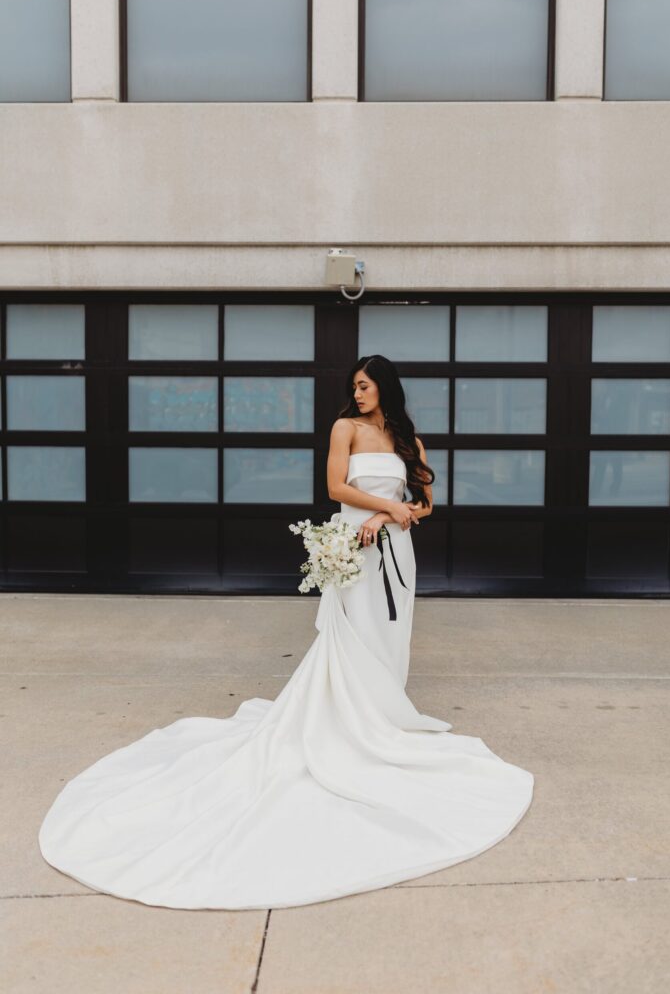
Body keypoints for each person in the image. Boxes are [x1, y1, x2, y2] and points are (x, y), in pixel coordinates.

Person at [38, 353, 534, 910]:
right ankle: (350, 725)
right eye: (355, 386)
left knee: (392, 636)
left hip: (395, 548)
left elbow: (427, 502)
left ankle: (385, 716)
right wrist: (379, 511)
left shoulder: (407, 440)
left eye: (366, 385)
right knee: (352, 633)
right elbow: (336, 489)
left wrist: (396, 515)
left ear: (385, 388)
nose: (359, 393)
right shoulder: (343, 428)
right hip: (355, 544)